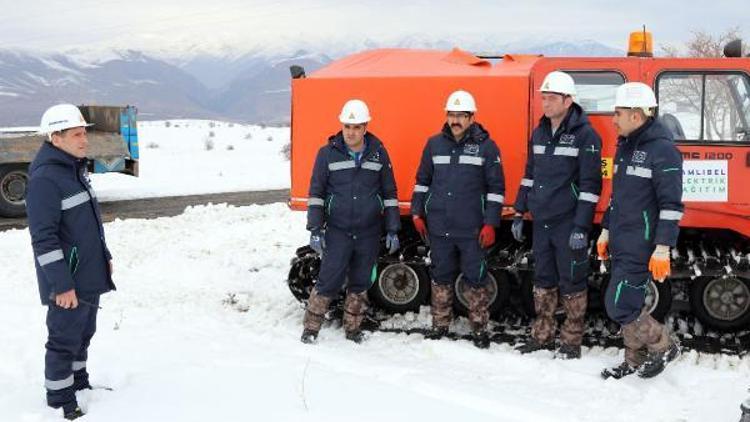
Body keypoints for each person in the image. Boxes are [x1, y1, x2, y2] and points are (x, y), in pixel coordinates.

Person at [26, 104, 115, 420]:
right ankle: (59, 399)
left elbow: (86, 225)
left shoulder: (72, 169)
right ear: (55, 137)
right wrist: (61, 285)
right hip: (68, 281)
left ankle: (79, 383)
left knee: (83, 334)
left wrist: (105, 258)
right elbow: (44, 240)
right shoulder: (46, 179)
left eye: (84, 132)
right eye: (77, 134)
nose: (84, 139)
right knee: (64, 340)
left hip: (87, 273)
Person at [512, 71, 602, 359]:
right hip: (542, 221)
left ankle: (571, 342)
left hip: (567, 222)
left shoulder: (586, 136)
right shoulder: (539, 132)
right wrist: (519, 209)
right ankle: (542, 336)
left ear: (568, 100)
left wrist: (581, 226)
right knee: (543, 280)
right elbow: (530, 174)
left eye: (551, 98)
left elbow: (590, 186)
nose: (545, 103)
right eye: (543, 97)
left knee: (572, 282)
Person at [598, 82, 682, 379]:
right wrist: (606, 231)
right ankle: (633, 359)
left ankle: (663, 345)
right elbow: (618, 198)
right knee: (626, 302)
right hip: (623, 238)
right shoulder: (625, 146)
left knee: (619, 304)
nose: (613, 119)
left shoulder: (663, 152)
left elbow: (671, 205)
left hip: (642, 242)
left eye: (618, 113)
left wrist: (663, 247)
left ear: (636, 115)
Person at [410, 90, 505, 349]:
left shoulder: (487, 147)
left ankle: (479, 329)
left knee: (476, 278)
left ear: (472, 117)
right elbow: (422, 182)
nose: (455, 120)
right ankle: (440, 325)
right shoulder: (434, 144)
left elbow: (496, 188)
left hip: (471, 228)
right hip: (439, 226)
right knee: (440, 277)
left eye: (461, 115)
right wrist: (417, 212)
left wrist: (490, 223)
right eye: (451, 114)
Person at [301, 99, 400, 344]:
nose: (351, 132)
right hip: (338, 231)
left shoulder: (379, 153)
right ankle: (311, 328)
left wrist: (393, 228)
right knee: (328, 279)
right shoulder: (327, 154)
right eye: (347, 126)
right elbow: (316, 194)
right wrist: (315, 228)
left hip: (368, 232)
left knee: (360, 281)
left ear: (365, 127)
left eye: (356, 127)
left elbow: (389, 193)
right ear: (341, 126)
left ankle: (353, 329)